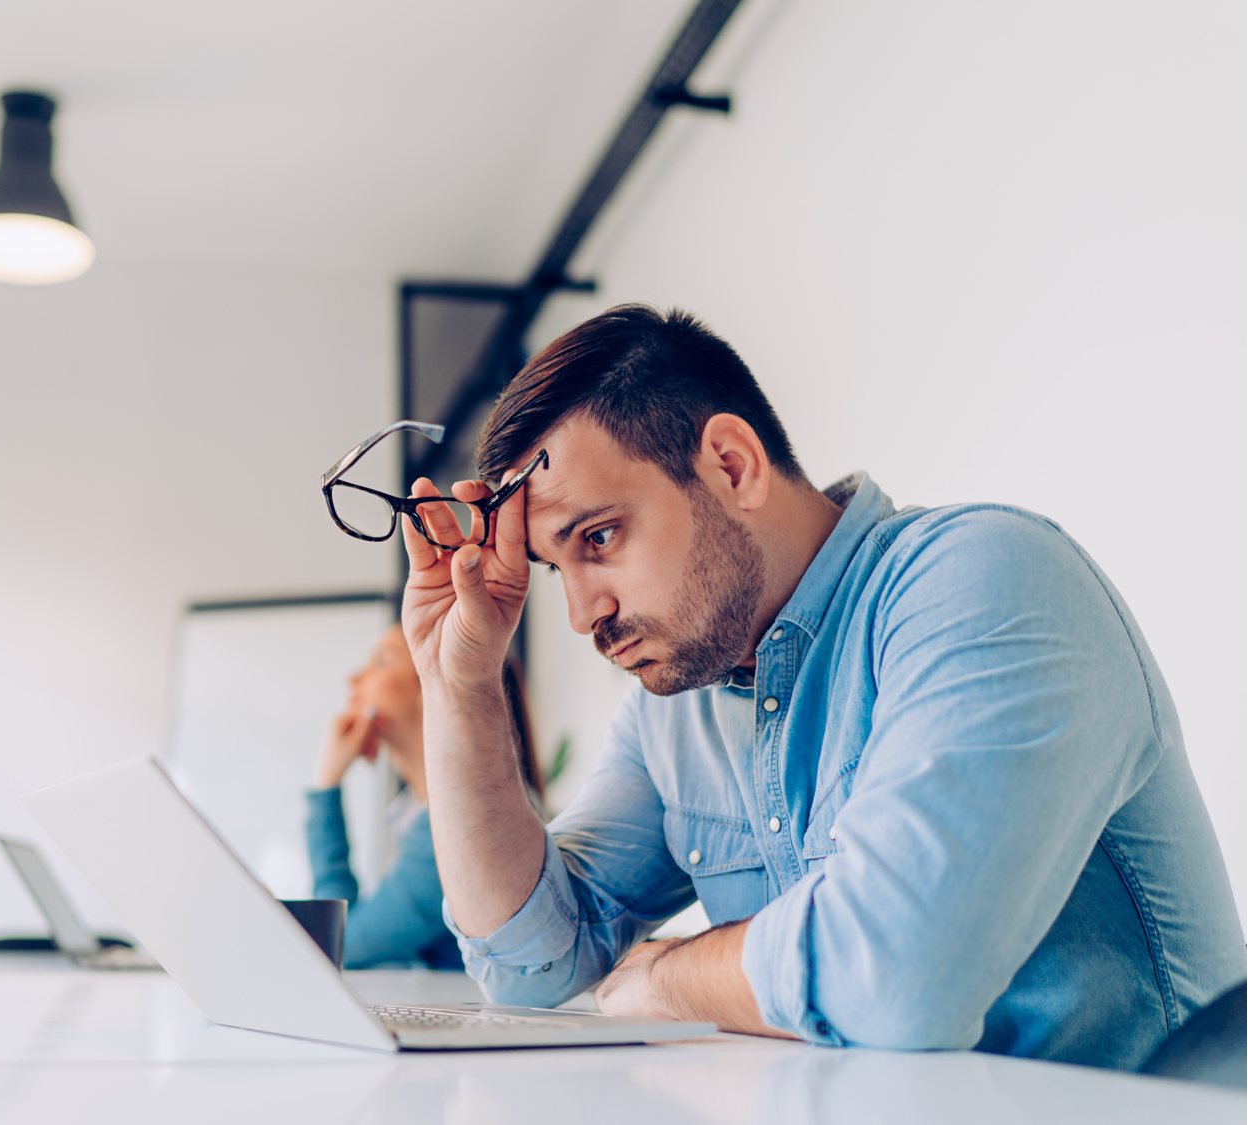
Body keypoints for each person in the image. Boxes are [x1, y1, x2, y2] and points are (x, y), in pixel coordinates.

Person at [391, 305, 1244, 1070]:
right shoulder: (676, 710)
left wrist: (667, 972)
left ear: (731, 466)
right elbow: (528, 965)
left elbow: (896, 978)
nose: (582, 613)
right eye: (554, 567)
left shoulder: (983, 577)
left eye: (600, 537)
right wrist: (457, 684)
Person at [305, 624, 544, 969]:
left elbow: (339, 944)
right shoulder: (420, 816)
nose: (354, 680)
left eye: (381, 661)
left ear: (433, 682)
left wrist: (326, 786)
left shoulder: (464, 823)